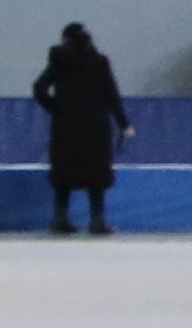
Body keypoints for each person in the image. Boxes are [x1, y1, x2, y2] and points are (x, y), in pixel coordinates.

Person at [38, 23, 129, 234]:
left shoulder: (58, 62)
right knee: (96, 174)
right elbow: (111, 94)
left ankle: (59, 218)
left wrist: (56, 108)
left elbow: (39, 88)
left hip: (65, 125)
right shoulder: (99, 62)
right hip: (94, 126)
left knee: (64, 172)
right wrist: (123, 123)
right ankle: (97, 220)